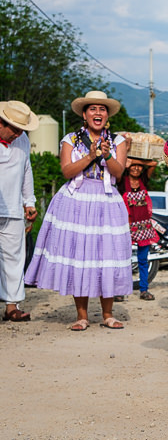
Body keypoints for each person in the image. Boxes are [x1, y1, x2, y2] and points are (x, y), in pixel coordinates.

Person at [24, 91, 131, 330]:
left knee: (107, 255)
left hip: (106, 201)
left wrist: (105, 156)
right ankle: (82, 315)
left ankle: (108, 314)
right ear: (84, 114)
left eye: (102, 109)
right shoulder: (70, 140)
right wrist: (90, 156)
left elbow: (118, 172)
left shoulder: (118, 141)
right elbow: (67, 171)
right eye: (92, 109)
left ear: (107, 115)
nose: (98, 113)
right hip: (77, 201)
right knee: (79, 256)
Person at [0, 100, 39, 322]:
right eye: (14, 129)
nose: (18, 134)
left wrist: (29, 202)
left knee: (14, 258)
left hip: (13, 208)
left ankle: (11, 306)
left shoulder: (22, 140)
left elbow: (26, 170)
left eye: (21, 130)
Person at [117, 157, 159, 301]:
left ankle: (144, 290)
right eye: (133, 166)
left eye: (139, 166)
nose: (136, 168)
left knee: (143, 260)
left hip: (143, 226)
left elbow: (154, 163)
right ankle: (119, 291)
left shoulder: (144, 180)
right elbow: (117, 167)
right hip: (125, 225)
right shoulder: (121, 180)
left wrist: (136, 160)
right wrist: (127, 162)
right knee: (122, 259)